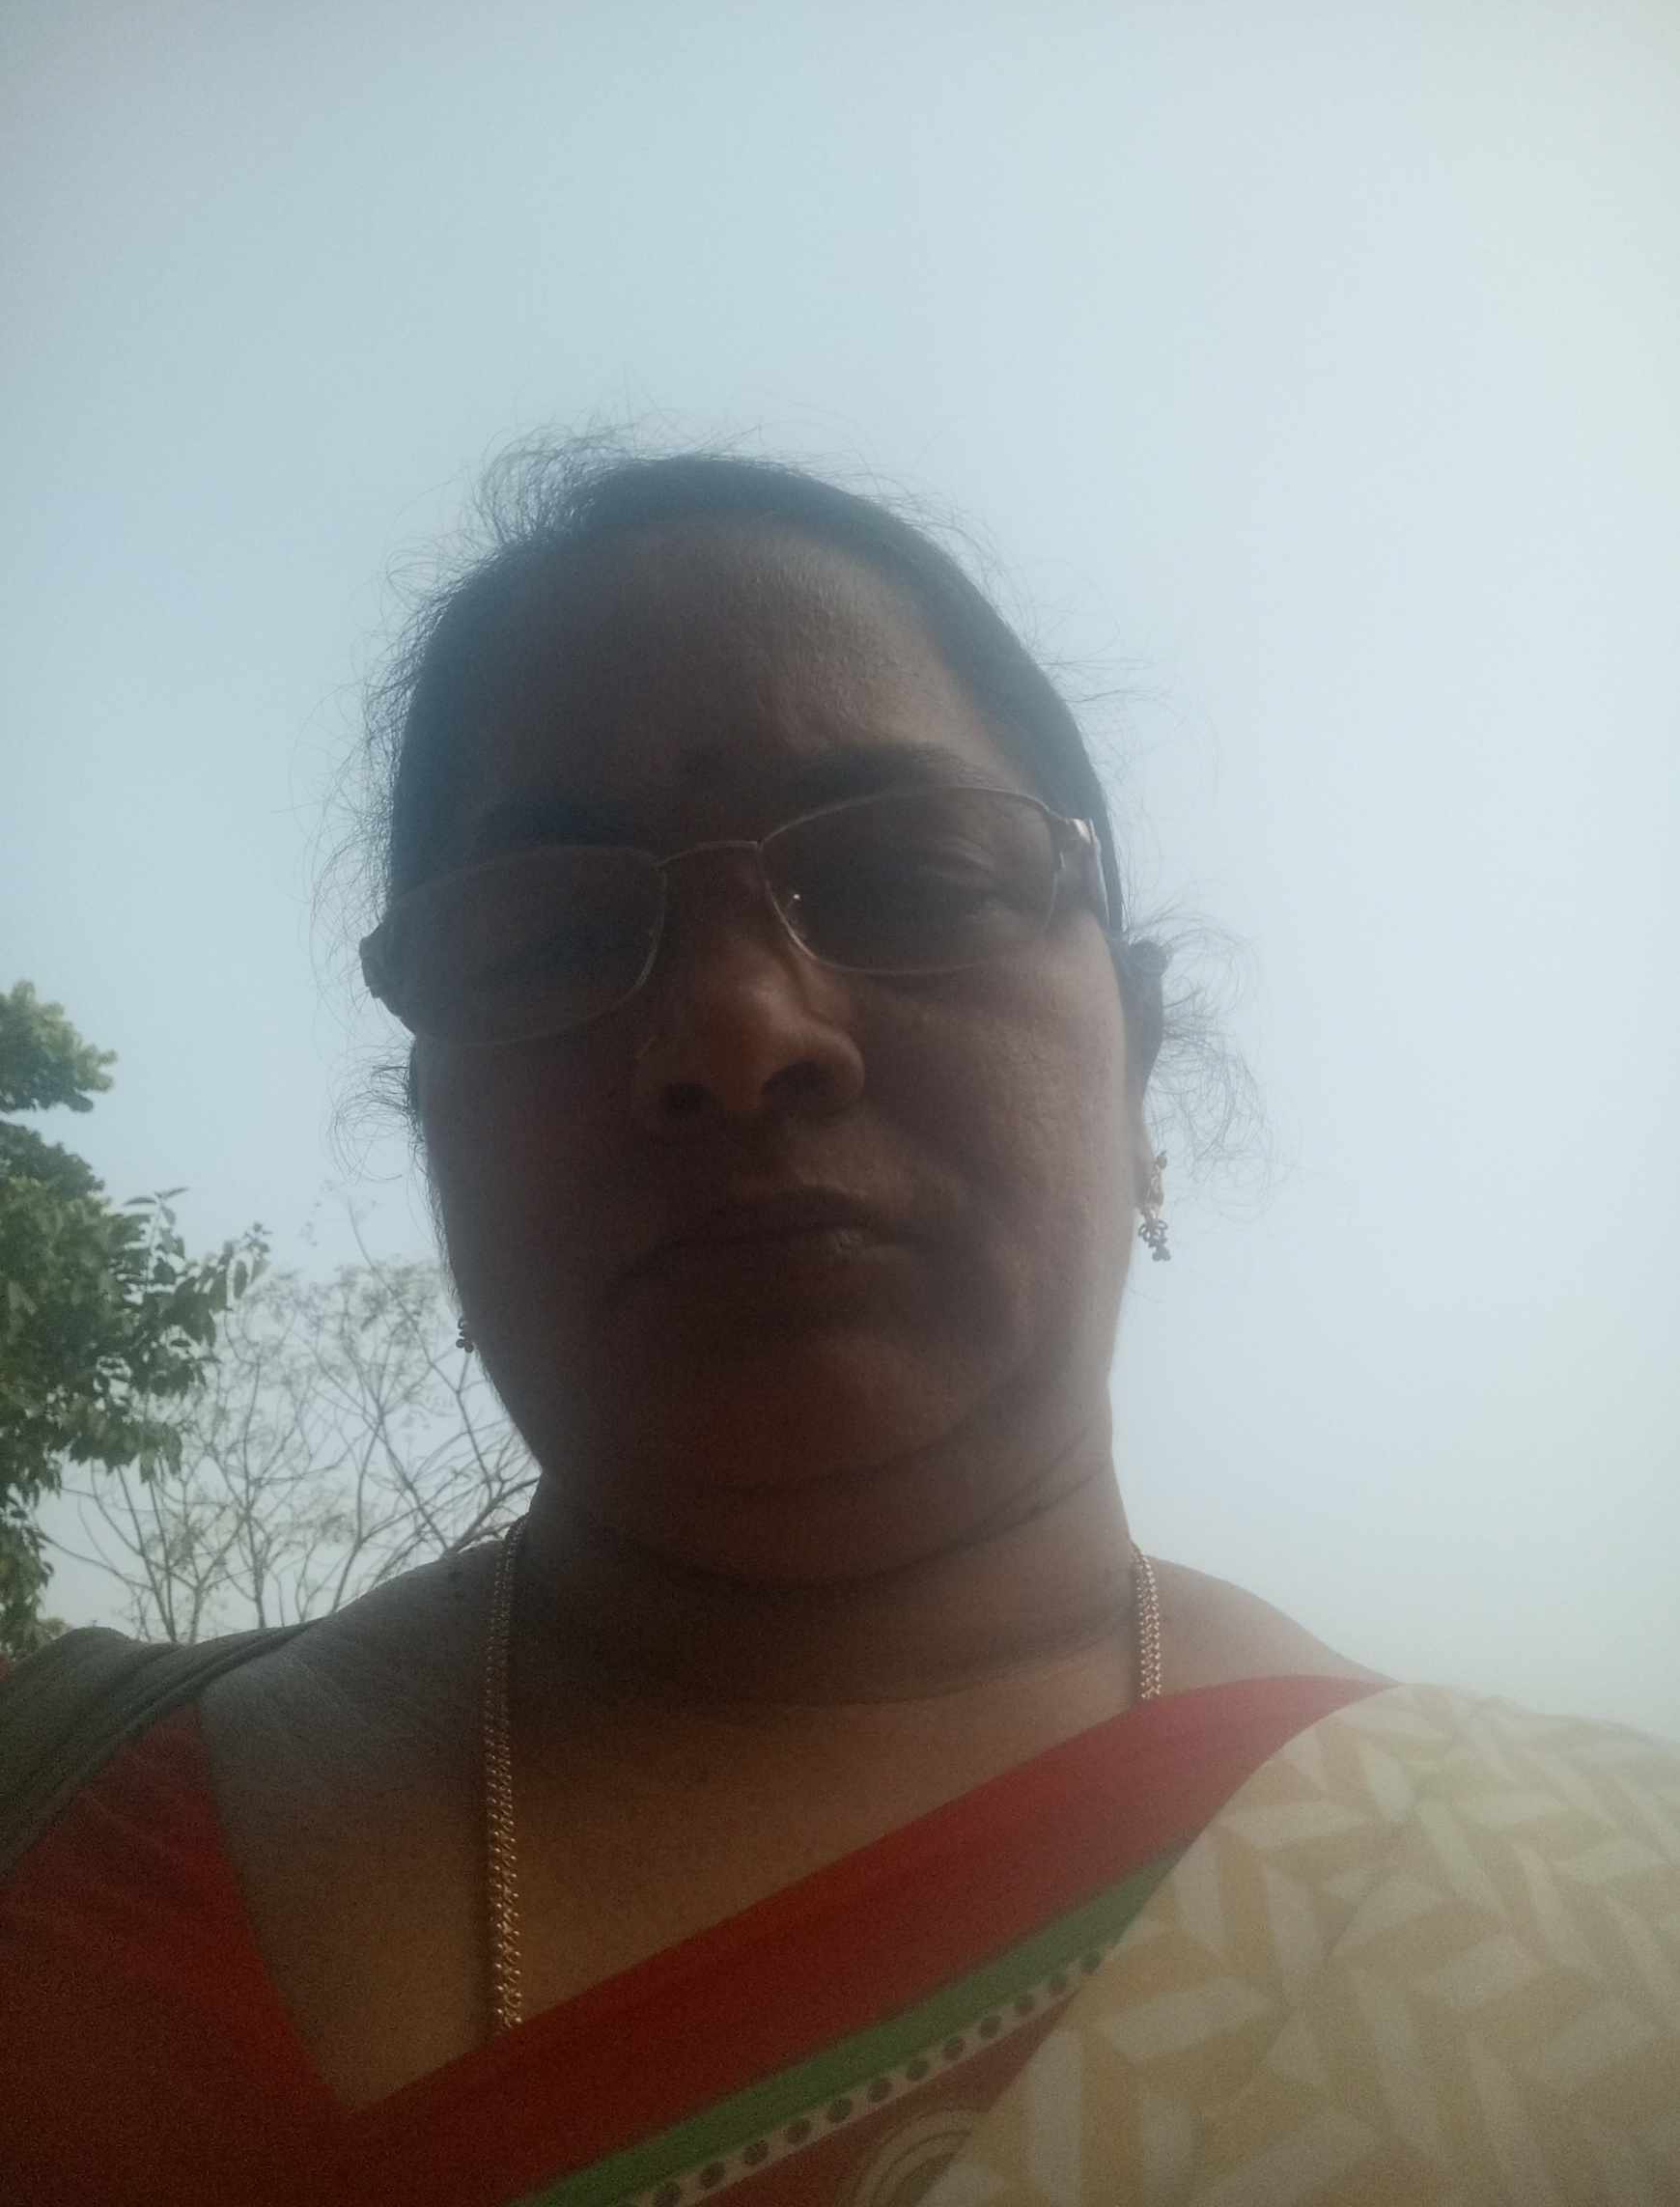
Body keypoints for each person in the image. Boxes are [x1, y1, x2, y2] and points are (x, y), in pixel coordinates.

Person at [3, 444, 1676, 2207]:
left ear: (1139, 1069)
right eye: (551, 938)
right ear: (431, 1121)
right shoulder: (50, 1789)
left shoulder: (1592, 1934)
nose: (739, 1032)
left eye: (905, 877)